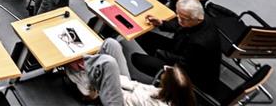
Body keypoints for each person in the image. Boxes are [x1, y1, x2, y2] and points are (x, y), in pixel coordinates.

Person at [67, 38, 196, 106]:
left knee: (108, 63)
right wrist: (113, 77)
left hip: (120, 102)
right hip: (127, 89)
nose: (164, 70)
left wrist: (108, 79)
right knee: (112, 44)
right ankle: (89, 70)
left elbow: (126, 96)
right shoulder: (171, 96)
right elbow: (136, 85)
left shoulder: (153, 103)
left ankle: (84, 73)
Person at [132, 0, 221, 94]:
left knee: (137, 59)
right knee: (141, 35)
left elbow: (183, 63)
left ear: (197, 19)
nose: (179, 20)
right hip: (181, 48)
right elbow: (181, 26)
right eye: (178, 15)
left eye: (182, 18)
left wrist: (160, 53)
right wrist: (161, 23)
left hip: (188, 72)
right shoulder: (199, 17)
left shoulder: (200, 43)